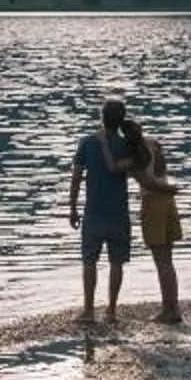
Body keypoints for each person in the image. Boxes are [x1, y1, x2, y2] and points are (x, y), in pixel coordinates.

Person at [69, 96, 137, 323]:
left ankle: (88, 310)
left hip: (94, 213)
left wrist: (72, 208)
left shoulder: (87, 143)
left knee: (89, 261)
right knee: (116, 262)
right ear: (121, 120)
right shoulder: (127, 145)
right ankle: (111, 310)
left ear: (102, 117)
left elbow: (76, 178)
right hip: (119, 213)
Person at [121, 114, 183, 324]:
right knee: (168, 260)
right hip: (168, 203)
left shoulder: (134, 157)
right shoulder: (155, 144)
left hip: (153, 203)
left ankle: (168, 310)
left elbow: (148, 184)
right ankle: (174, 307)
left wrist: (168, 189)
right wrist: (169, 190)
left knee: (161, 261)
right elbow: (159, 173)